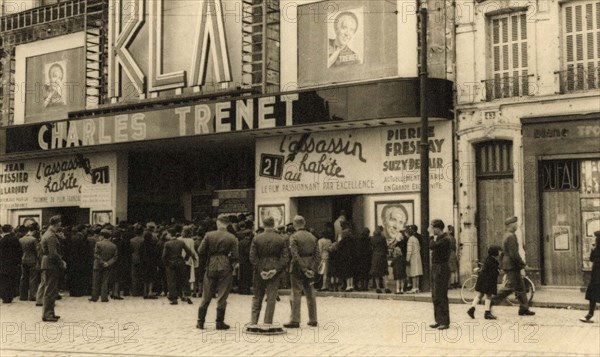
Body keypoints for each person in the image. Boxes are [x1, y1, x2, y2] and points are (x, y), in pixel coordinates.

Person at [196, 215, 239, 330]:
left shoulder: (209, 235)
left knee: (206, 294)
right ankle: (219, 322)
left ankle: (200, 321)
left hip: (211, 265)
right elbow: (235, 255)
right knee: (222, 295)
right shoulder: (232, 237)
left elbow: (200, 250)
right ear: (228, 224)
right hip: (225, 265)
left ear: (218, 223)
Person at [248, 216, 289, 328]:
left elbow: (252, 257)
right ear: (273, 224)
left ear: (263, 224)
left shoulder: (257, 238)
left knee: (257, 296)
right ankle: (267, 322)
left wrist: (260, 270)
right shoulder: (281, 239)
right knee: (271, 297)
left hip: (259, 269)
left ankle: (253, 321)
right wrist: (276, 269)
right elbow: (285, 257)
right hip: (274, 267)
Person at [492, 216, 535, 316]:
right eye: (515, 224)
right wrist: (522, 264)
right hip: (512, 265)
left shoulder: (506, 235)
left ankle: (524, 308)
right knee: (510, 288)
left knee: (521, 287)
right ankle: (491, 301)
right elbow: (514, 254)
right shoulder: (511, 236)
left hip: (509, 264)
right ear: (510, 225)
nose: (517, 225)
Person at [284, 215, 320, 328]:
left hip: (298, 268)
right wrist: (312, 269)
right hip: (310, 264)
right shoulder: (313, 237)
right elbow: (317, 255)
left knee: (296, 293)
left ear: (295, 224)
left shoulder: (294, 237)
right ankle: (313, 318)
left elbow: (295, 255)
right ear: (304, 223)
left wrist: (304, 269)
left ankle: (295, 319)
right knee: (310, 293)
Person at [40, 216, 66, 322]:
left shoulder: (48, 234)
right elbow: (53, 254)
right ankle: (47, 314)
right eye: (60, 223)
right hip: (51, 265)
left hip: (48, 264)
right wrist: (62, 262)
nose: (60, 225)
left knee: (51, 289)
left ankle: (50, 312)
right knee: (50, 290)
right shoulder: (51, 236)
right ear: (57, 224)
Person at [162, 228, 196, 305]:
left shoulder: (167, 244)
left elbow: (164, 256)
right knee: (183, 279)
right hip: (180, 262)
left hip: (171, 263)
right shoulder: (181, 242)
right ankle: (187, 295)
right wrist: (185, 259)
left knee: (172, 280)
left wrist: (166, 263)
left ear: (170, 234)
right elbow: (189, 252)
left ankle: (174, 298)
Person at [468, 245, 501, 320]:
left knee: (480, 294)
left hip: (483, 279)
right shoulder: (493, 261)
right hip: (488, 281)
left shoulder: (488, 259)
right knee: (488, 295)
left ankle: (472, 308)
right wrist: (498, 271)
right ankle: (487, 312)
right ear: (495, 253)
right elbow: (494, 272)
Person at [429, 219, 451, 330]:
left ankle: (445, 322)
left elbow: (432, 246)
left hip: (441, 268)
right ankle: (438, 320)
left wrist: (431, 237)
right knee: (435, 295)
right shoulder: (440, 239)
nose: (431, 230)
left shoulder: (446, 239)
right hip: (435, 267)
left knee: (441, 294)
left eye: (433, 228)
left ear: (438, 228)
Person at [89, 229, 118, 303]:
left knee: (96, 281)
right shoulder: (113, 246)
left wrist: (101, 262)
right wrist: (108, 263)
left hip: (98, 265)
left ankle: (94, 297)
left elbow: (96, 254)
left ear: (102, 236)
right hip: (107, 266)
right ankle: (104, 297)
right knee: (105, 282)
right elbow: (115, 257)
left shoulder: (98, 244)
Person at [580, 231, 600, 323]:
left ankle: (589, 315)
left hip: (597, 275)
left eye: (595, 238)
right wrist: (592, 250)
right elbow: (592, 259)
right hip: (596, 275)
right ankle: (589, 315)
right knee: (592, 295)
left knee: (593, 294)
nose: (594, 240)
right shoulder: (596, 248)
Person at [0, 225, 22, 304]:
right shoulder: (15, 239)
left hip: (3, 263)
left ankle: (4, 296)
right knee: (12, 279)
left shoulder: (1, 240)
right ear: (10, 230)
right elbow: (19, 251)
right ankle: (10, 296)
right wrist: (18, 261)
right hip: (13, 263)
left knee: (4, 280)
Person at [19, 223, 39, 301]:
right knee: (33, 278)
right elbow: (37, 251)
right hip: (32, 260)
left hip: (23, 260)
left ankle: (22, 296)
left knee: (23, 278)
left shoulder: (21, 239)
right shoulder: (33, 239)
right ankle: (32, 295)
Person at [139, 231, 159, 299]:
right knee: (151, 278)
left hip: (143, 263)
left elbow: (140, 253)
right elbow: (156, 254)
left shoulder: (142, 244)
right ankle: (150, 292)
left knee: (144, 278)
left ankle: (145, 292)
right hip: (151, 263)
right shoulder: (153, 244)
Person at [370, 226, 389, 293]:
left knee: (376, 273)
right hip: (382, 256)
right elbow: (385, 247)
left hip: (375, 256)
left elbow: (371, 247)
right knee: (384, 272)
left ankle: (378, 287)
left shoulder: (372, 238)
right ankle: (386, 287)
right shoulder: (383, 238)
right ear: (381, 231)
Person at [404, 225, 423, 294]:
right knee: (417, 273)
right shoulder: (415, 238)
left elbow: (409, 251)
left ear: (407, 233)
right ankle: (417, 288)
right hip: (418, 257)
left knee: (413, 273)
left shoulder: (410, 240)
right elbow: (419, 248)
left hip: (413, 258)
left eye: (405, 233)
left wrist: (407, 259)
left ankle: (413, 288)